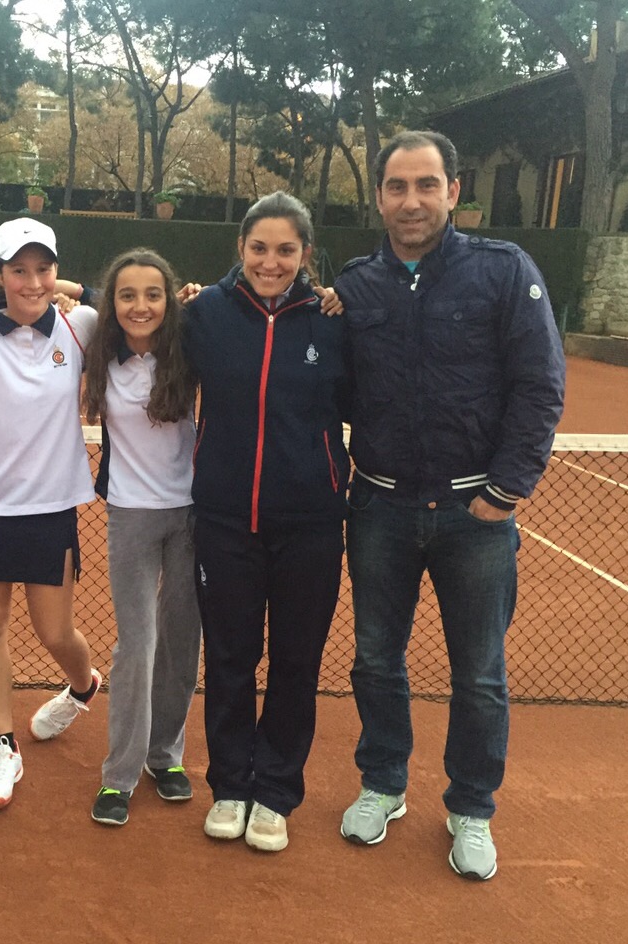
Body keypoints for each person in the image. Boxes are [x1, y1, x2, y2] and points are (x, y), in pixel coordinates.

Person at [335, 130, 565, 881]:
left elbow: (540, 384)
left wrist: (505, 491)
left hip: (476, 517)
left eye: (426, 185)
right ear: (379, 197)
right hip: (379, 508)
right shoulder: (354, 286)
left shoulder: (505, 271)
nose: (412, 201)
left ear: (453, 192)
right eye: (397, 187)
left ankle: (471, 806)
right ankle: (384, 783)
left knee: (480, 674)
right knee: (376, 660)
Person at [184, 192, 350, 853]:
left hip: (311, 524)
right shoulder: (205, 313)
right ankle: (229, 786)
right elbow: (133, 321)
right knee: (229, 658)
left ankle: (276, 791)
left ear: (305, 254)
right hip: (225, 521)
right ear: (241, 249)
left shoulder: (334, 320)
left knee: (295, 663)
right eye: (259, 248)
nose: (271, 262)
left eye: (285, 250)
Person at [0, 218, 103, 810]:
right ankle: (3, 748)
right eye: (19, 270)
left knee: (55, 631)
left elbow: (136, 311)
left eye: (44, 269)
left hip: (51, 510)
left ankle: (83, 686)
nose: (33, 282)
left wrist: (80, 291)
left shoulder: (80, 327)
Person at [81, 249, 202, 827]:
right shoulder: (95, 346)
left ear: (169, 299)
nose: (140, 306)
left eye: (153, 294)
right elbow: (36, 299)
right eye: (127, 294)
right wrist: (69, 292)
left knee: (180, 639)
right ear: (112, 301)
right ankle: (120, 774)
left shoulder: (190, 345)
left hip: (192, 514)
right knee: (136, 643)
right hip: (131, 515)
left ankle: (165, 755)